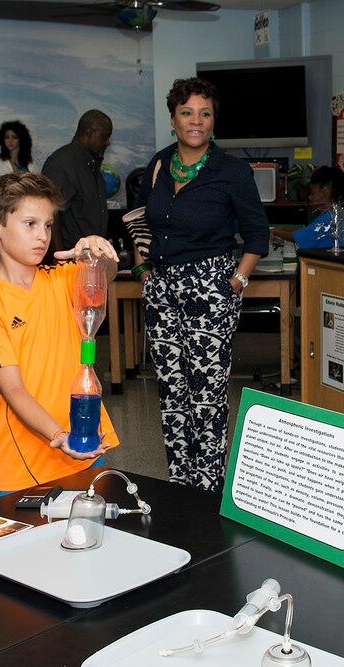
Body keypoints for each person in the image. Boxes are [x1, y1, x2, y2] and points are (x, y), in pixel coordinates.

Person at [131, 77, 268, 492]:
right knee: (171, 393)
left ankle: (208, 487)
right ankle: (180, 483)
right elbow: (139, 220)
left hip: (211, 287)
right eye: (187, 112)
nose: (196, 121)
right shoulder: (158, 164)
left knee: (206, 394)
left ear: (213, 122)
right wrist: (143, 272)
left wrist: (237, 281)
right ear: (173, 118)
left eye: (205, 113)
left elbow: (257, 234)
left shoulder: (232, 171)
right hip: (161, 289)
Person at [0, 173, 120, 494]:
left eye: (48, 225)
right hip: (26, 465)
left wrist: (98, 252)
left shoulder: (63, 278)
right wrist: (58, 435)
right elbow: (14, 391)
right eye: (30, 224)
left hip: (86, 446)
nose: (42, 236)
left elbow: (105, 275)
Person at [41, 109, 112, 256]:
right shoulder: (62, 164)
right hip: (70, 259)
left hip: (90, 259)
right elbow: (49, 213)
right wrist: (60, 258)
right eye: (105, 137)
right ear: (89, 133)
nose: (108, 143)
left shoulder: (91, 164)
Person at [271, 166, 344, 249]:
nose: (309, 197)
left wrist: (275, 232)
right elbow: (305, 232)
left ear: (325, 192)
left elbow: (300, 237)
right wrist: (283, 228)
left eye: (313, 193)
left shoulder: (328, 218)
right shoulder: (329, 215)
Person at [0, 119, 36, 186]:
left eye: (14, 137)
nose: (10, 141)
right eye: (7, 137)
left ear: (21, 139)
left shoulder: (32, 166)